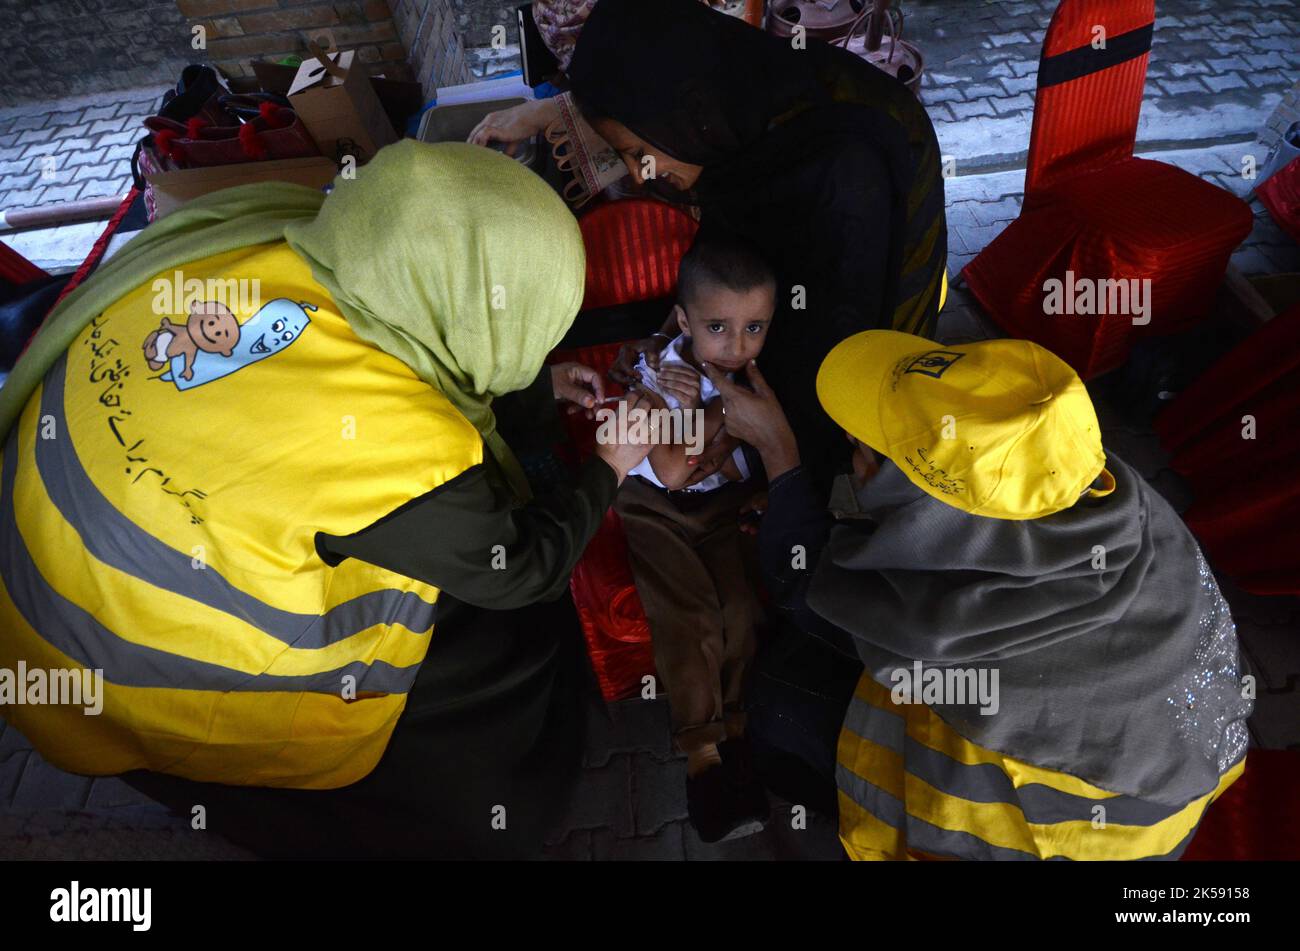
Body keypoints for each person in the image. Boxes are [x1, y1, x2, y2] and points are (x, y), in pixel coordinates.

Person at [0, 140, 654, 857]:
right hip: (101, 650)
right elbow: (519, 570)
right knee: (477, 670)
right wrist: (608, 468)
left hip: (31, 536)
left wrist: (532, 382)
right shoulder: (402, 444)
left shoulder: (269, 229)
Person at [706, 330, 1253, 860]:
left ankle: (837, 801)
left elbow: (810, 596)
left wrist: (779, 455)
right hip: (1185, 764)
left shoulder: (939, 626)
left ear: (925, 508)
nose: (851, 454)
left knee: (781, 694)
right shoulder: (1109, 489)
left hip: (1074, 835)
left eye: (859, 448)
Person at [474, 0, 947, 493]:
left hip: (848, 346)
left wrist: (782, 466)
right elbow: (725, 266)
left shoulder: (846, 171)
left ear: (684, 113)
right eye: (623, 156)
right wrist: (664, 342)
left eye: (638, 152)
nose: (639, 174)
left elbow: (832, 338)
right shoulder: (734, 137)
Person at [612, 228, 774, 841]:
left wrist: (717, 420)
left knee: (740, 609)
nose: (736, 345)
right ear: (684, 321)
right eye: (718, 328)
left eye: (755, 327)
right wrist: (723, 417)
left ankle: (736, 731)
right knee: (690, 616)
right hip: (653, 505)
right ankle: (703, 760)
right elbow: (677, 466)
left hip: (721, 507)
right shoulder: (667, 368)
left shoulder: (751, 369)